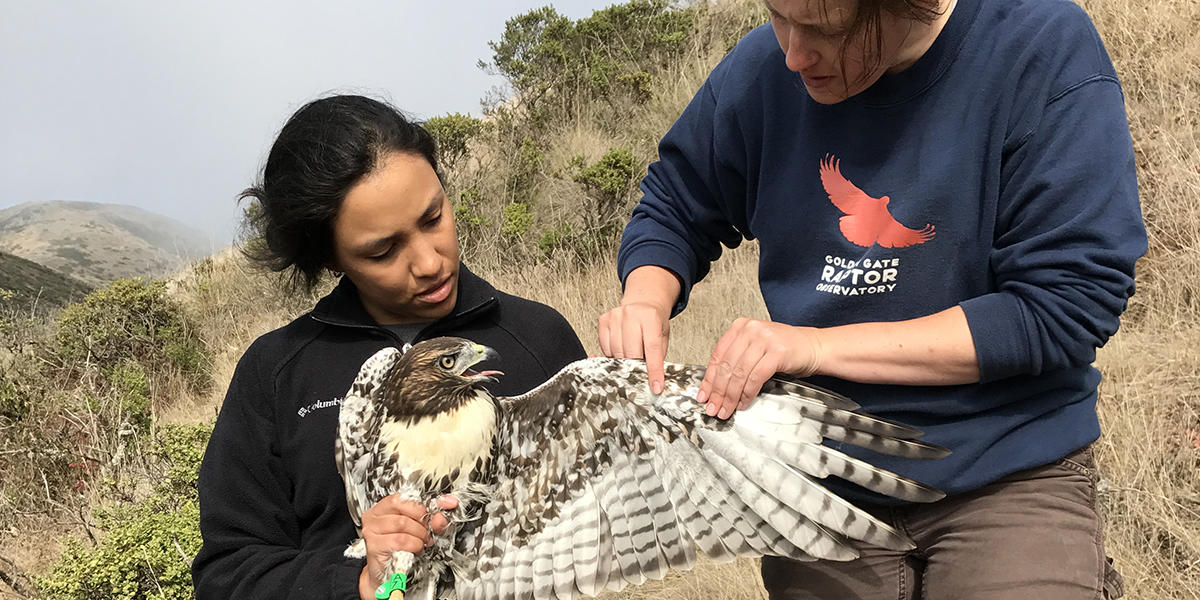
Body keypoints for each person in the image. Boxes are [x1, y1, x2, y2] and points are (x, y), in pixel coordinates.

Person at [598, 0, 1144, 597]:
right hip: (821, 485)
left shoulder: (1039, 48)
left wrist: (810, 347)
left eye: (826, 30)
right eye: (778, 15)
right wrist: (645, 300)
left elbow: (1061, 308)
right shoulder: (761, 73)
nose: (793, 54)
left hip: (1005, 465)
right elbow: (676, 203)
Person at [191, 95, 587, 600]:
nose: (427, 262)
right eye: (383, 250)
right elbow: (228, 577)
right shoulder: (277, 373)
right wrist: (355, 581)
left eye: (433, 217)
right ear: (330, 257)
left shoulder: (537, 337)